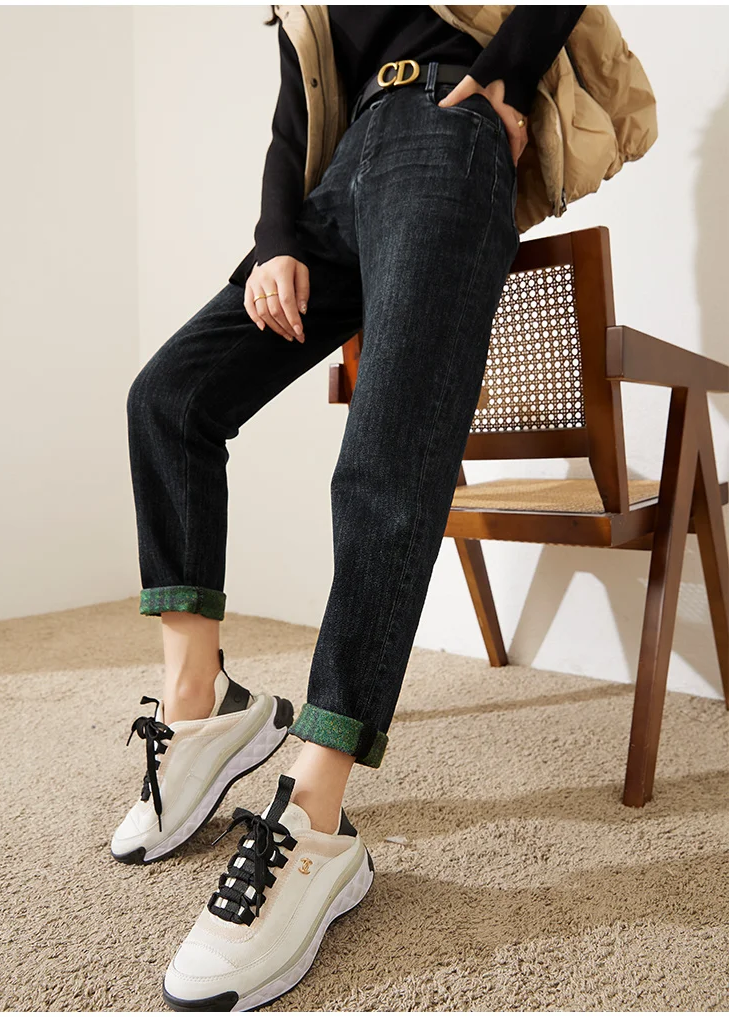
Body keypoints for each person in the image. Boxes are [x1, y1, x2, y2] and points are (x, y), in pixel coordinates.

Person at [115, 5, 586, 1010]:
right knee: (169, 400)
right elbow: (295, 113)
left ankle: (316, 825)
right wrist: (277, 238)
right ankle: (202, 705)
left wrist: (504, 75)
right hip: (344, 170)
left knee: (383, 460)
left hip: (445, 132)